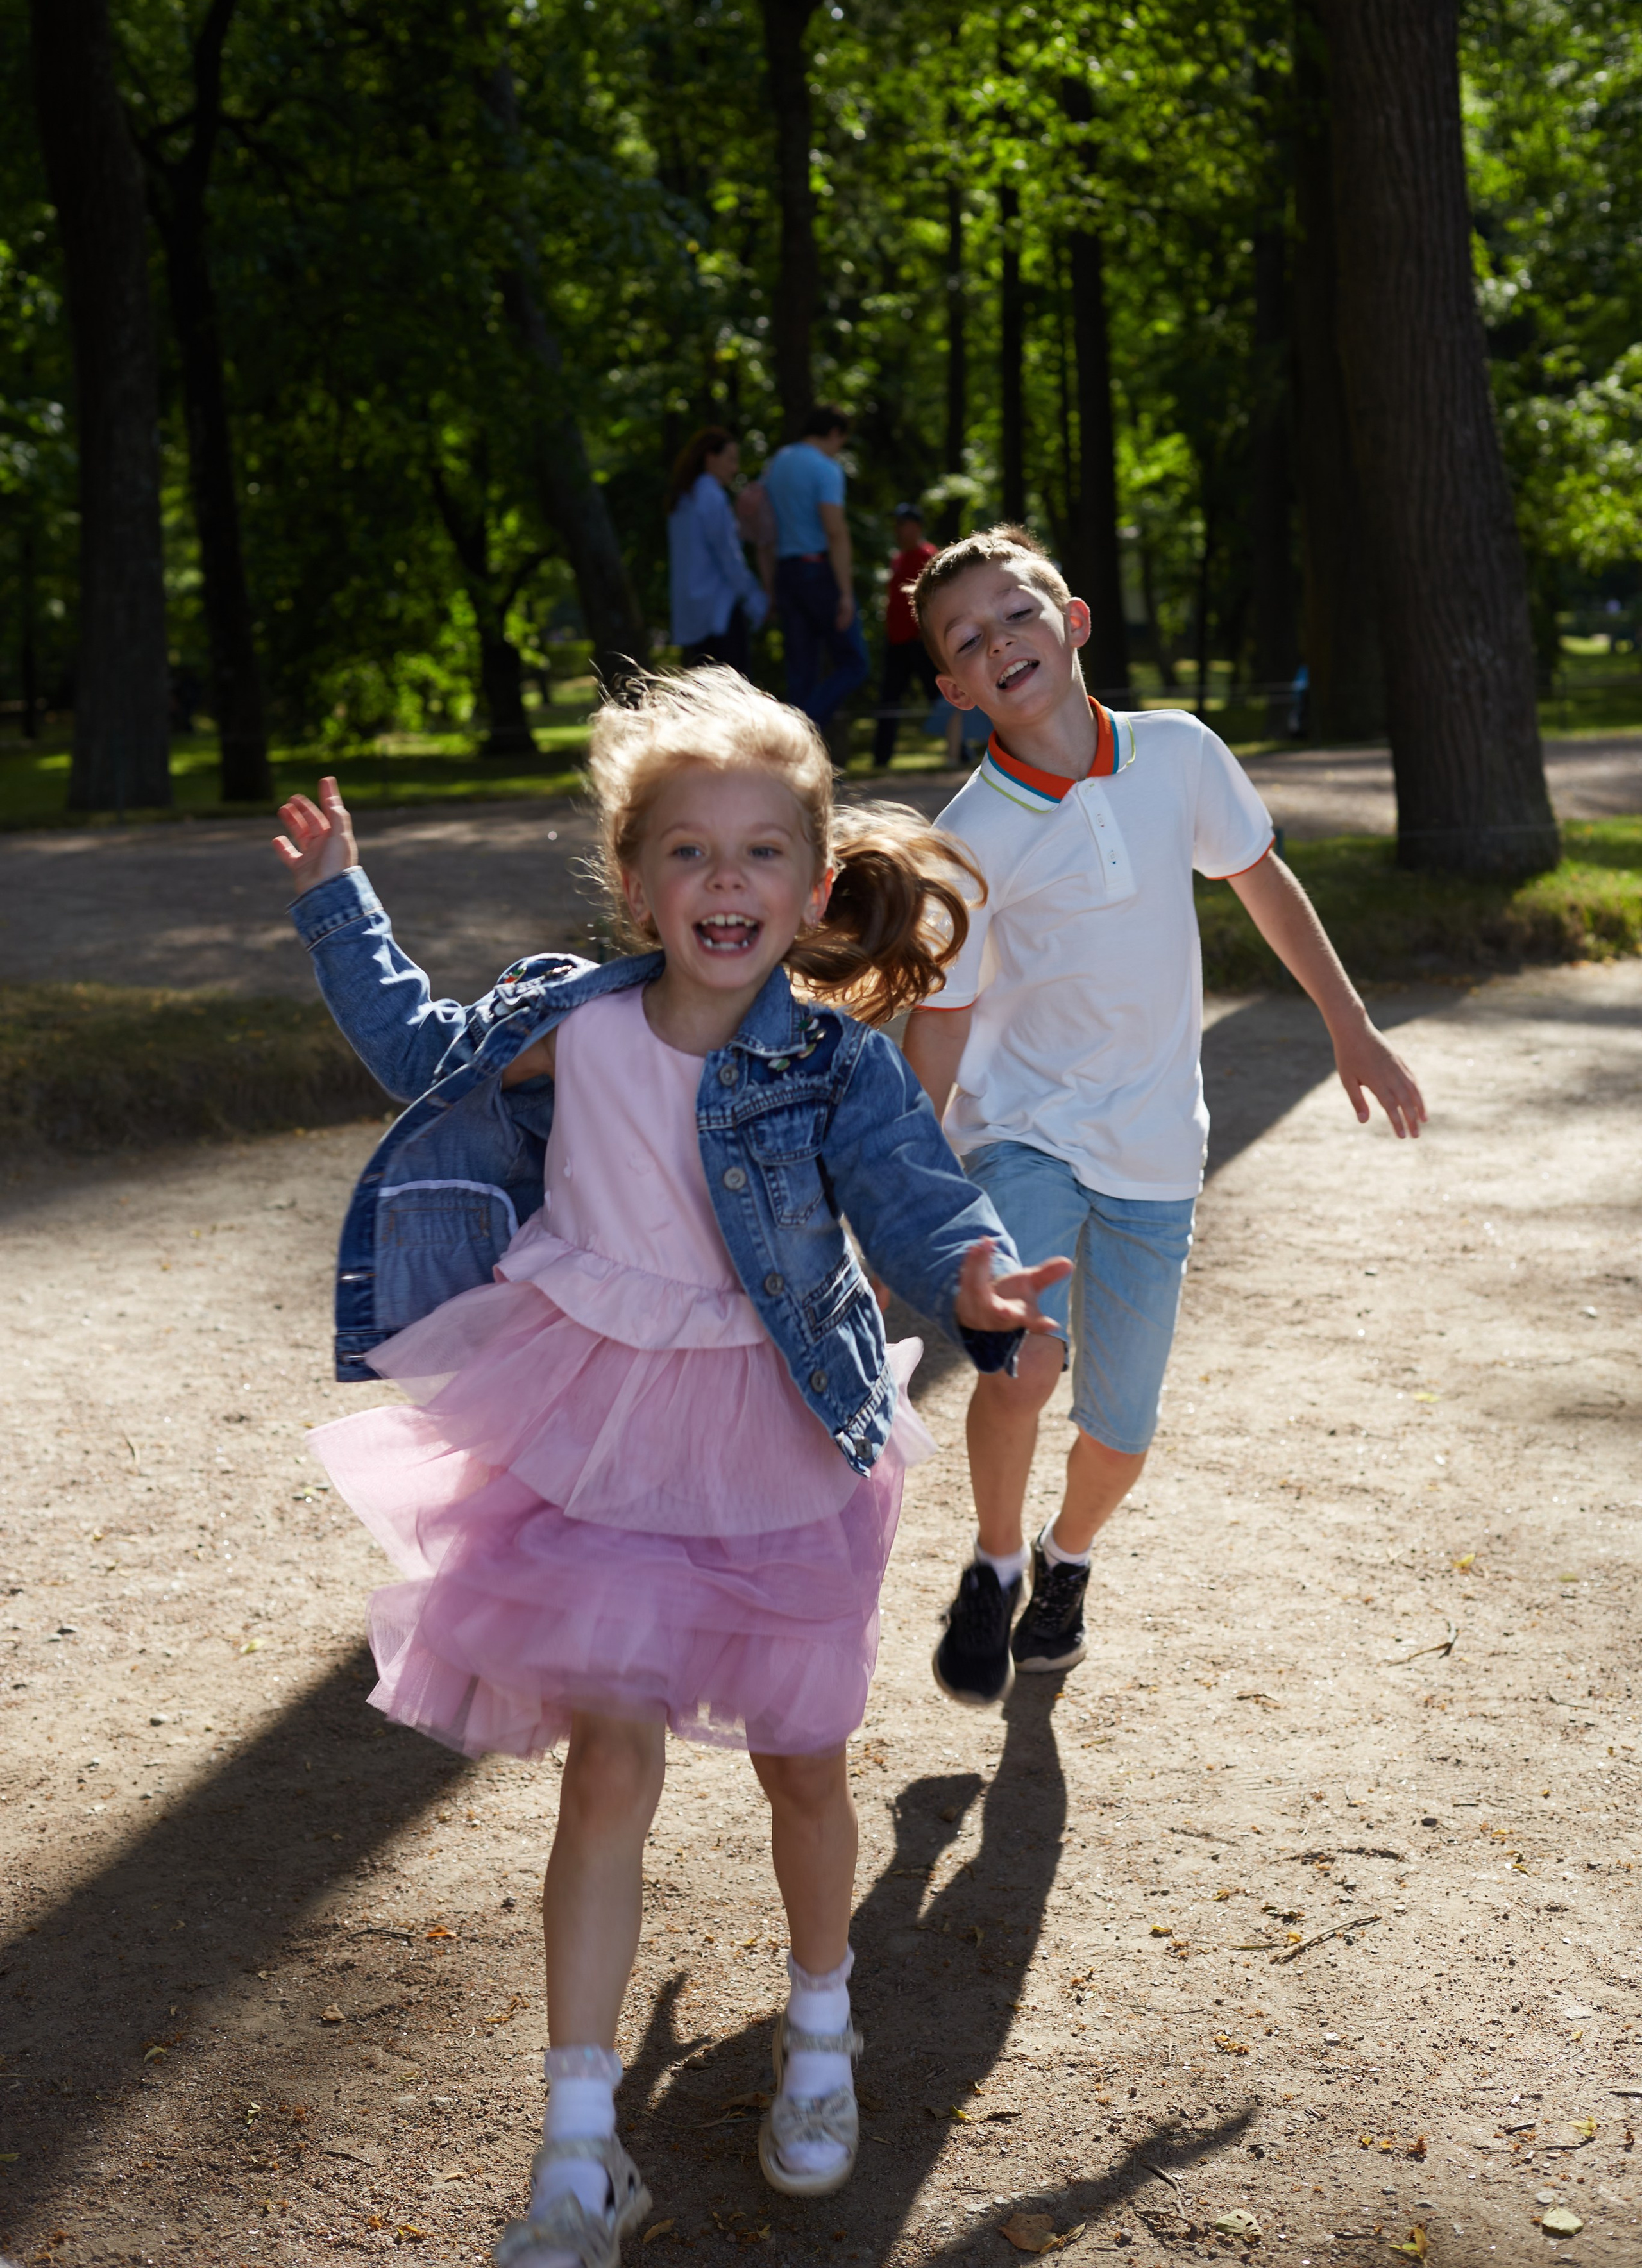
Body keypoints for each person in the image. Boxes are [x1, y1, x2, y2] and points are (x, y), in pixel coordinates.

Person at [271, 671, 1067, 2268]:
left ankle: (821, 2029)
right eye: (689, 853)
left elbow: (913, 1191)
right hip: (587, 1426)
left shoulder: (830, 1065)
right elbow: (414, 1047)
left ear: (814, 884)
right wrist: (336, 898)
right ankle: (581, 2151)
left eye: (760, 853)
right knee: (607, 1767)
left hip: (773, 1433)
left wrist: (974, 1274)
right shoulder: (569, 1016)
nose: (725, 883)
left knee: (800, 1765)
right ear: (634, 880)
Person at [901, 526, 1428, 1708]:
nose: (1000, 643)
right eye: (968, 640)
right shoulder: (967, 840)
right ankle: (992, 1564)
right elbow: (939, 1021)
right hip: (1023, 1129)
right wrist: (901, 1188)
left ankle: (1063, 1562)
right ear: (954, 689)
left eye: (1017, 615)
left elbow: (1261, 880)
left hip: (1154, 1147)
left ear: (1075, 621)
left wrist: (1350, 1024)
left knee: (1123, 1432)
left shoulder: (1180, 754)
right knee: (1023, 1358)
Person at [764, 404, 870, 741]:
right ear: (835, 434)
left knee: (801, 673)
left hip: (785, 572)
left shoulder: (776, 464)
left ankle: (795, 758)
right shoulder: (825, 469)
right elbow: (835, 531)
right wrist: (845, 593)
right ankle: (800, 729)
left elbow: (764, 531)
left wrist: (769, 587)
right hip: (818, 572)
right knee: (854, 663)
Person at [666, 428, 769, 672]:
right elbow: (728, 556)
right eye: (731, 459)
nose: (735, 469)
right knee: (734, 692)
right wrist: (755, 597)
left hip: (692, 613)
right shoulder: (710, 494)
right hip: (719, 611)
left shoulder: (682, 498)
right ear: (710, 458)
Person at [869, 503, 940, 769]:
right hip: (896, 642)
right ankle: (881, 759)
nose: (897, 530)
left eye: (902, 524)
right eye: (896, 524)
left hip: (919, 643)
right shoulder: (897, 558)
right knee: (889, 701)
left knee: (939, 696)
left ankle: (962, 752)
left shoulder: (929, 556)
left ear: (917, 526)